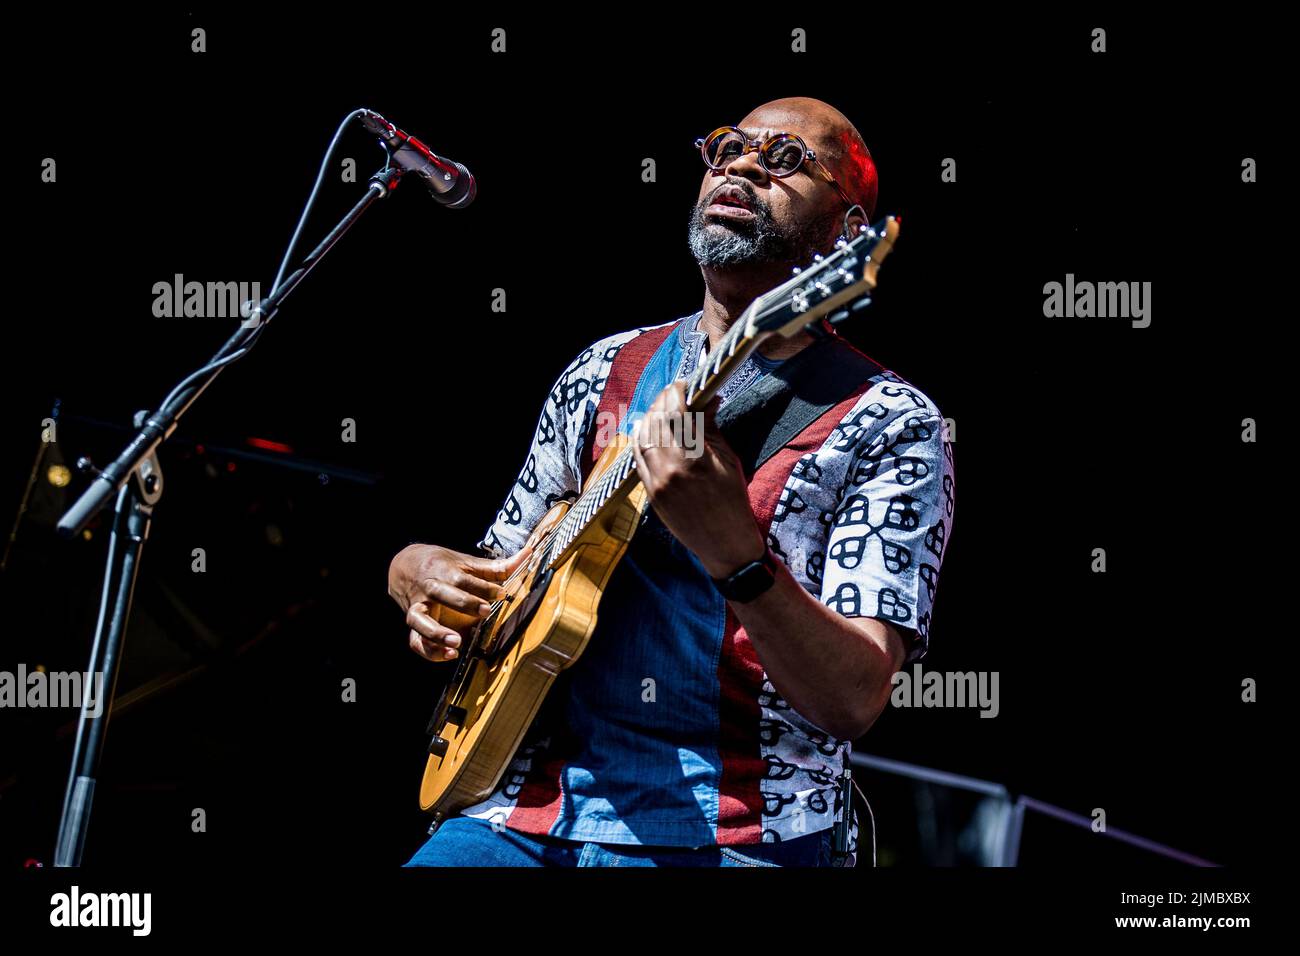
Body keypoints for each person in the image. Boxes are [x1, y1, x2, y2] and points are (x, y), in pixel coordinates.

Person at [389, 97, 955, 867]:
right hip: (518, 813)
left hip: (739, 836)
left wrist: (738, 557)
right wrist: (415, 574)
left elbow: (853, 699)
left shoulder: (889, 421)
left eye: (785, 158)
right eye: (726, 148)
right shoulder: (602, 371)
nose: (743, 163)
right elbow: (497, 572)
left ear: (848, 237)